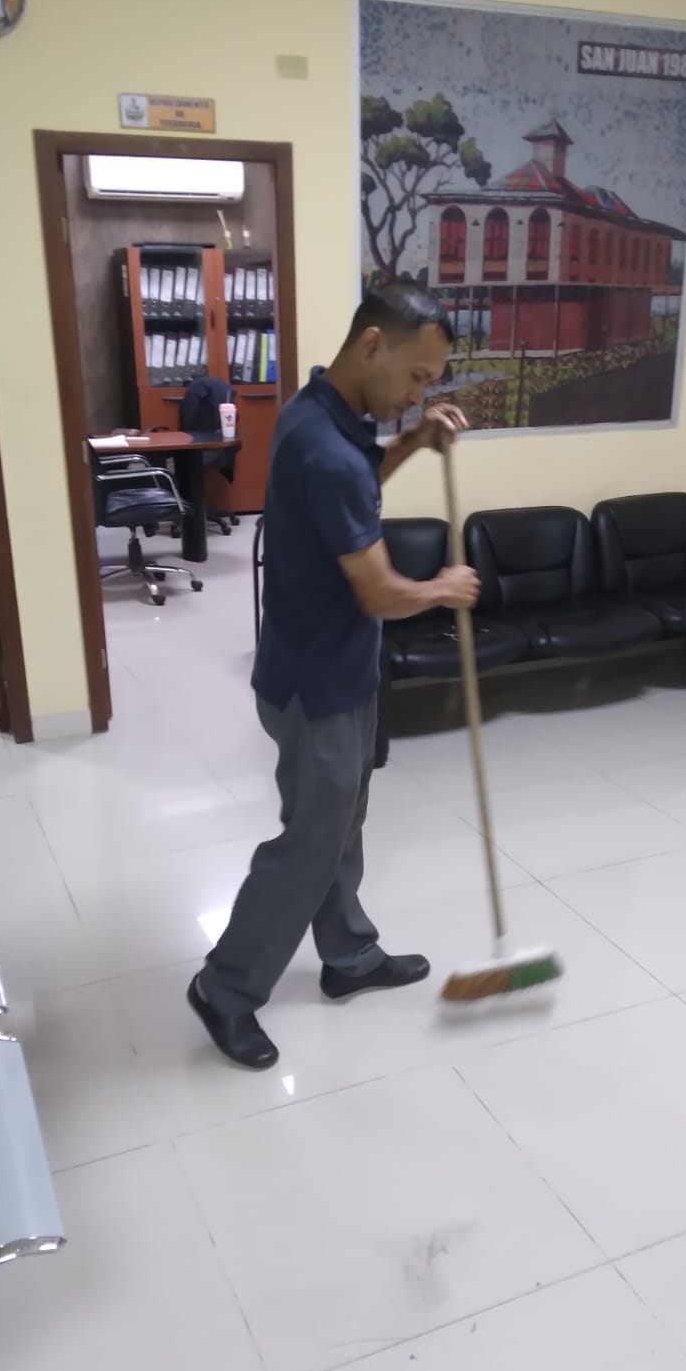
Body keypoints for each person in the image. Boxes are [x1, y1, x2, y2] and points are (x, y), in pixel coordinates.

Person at [188, 283, 480, 1069]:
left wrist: (415, 439)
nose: (420, 393)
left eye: (431, 383)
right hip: (317, 685)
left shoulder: (317, 410)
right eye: (417, 377)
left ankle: (348, 954)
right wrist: (444, 589)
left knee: (342, 822)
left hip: (329, 666)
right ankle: (225, 987)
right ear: (373, 344)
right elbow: (379, 591)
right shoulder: (326, 448)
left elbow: (358, 480)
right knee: (312, 843)